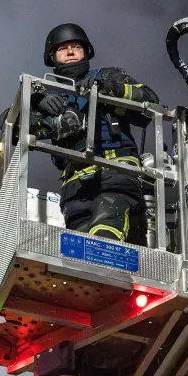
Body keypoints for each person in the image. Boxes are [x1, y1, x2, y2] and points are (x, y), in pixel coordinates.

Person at [32, 23, 159, 242]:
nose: (70, 51)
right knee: (80, 249)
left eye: (75, 46)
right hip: (74, 189)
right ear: (52, 57)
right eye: (63, 48)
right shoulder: (46, 93)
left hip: (114, 173)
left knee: (103, 235)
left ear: (85, 52)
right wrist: (37, 103)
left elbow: (150, 104)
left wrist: (110, 88)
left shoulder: (108, 76)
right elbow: (12, 125)